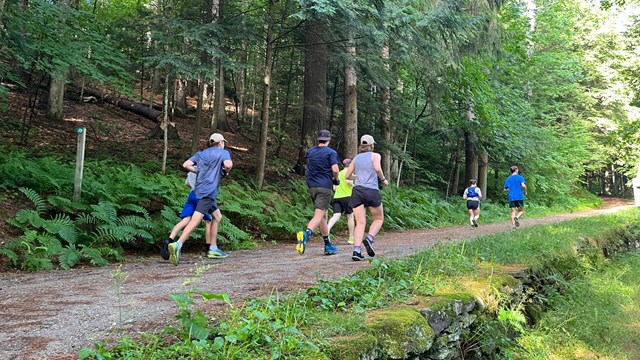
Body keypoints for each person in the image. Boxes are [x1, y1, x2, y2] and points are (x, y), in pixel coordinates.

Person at [167, 133, 233, 266]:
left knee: (217, 216)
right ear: (220, 143)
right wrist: (226, 171)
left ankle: (213, 248)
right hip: (208, 193)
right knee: (196, 220)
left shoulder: (201, 154)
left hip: (199, 190)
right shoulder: (223, 153)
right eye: (223, 142)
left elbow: (186, 165)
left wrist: (198, 171)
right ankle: (178, 244)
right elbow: (228, 164)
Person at [296, 129, 340, 256]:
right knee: (319, 215)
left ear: (318, 139)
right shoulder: (331, 152)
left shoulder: (311, 151)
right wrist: (336, 180)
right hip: (324, 187)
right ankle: (306, 234)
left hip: (312, 186)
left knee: (323, 216)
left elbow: (308, 162)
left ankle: (327, 245)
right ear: (329, 139)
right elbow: (335, 169)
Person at [345, 135, 389, 261]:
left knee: (360, 222)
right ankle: (369, 238)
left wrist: (358, 177)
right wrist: (383, 180)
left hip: (357, 191)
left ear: (361, 146)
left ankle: (357, 250)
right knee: (379, 218)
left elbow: (347, 175)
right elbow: (377, 168)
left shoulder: (356, 158)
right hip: (371, 190)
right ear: (372, 146)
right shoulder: (375, 155)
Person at [160, 168, 213, 260]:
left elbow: (186, 183)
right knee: (208, 221)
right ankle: (209, 247)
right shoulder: (204, 169)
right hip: (200, 196)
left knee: (185, 220)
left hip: (191, 195)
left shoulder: (191, 169)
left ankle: (169, 240)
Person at [327, 158, 355, 244]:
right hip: (347, 197)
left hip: (337, 197)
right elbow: (348, 182)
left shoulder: (338, 174)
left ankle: (326, 231)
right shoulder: (349, 173)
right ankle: (351, 238)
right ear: (350, 165)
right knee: (350, 216)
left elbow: (334, 188)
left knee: (336, 216)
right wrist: (355, 186)